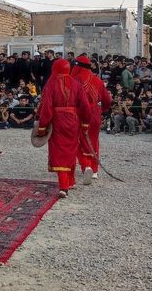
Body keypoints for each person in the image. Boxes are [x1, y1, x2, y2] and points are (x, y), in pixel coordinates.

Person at [35, 59, 91, 198]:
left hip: (57, 120)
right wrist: (85, 123)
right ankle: (71, 181)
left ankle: (64, 186)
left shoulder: (51, 84)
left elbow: (46, 108)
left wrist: (42, 127)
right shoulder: (76, 84)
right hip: (73, 120)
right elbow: (85, 105)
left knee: (59, 151)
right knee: (71, 149)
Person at [71, 55, 112, 184]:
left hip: (79, 113)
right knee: (93, 141)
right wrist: (103, 110)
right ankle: (94, 170)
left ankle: (86, 165)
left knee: (79, 140)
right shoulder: (98, 80)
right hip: (95, 113)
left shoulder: (73, 80)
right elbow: (108, 100)